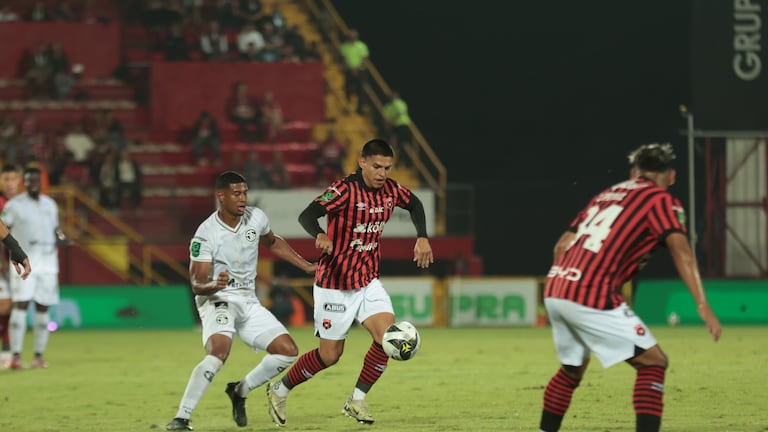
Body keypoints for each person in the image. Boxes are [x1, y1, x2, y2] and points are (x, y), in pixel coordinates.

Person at [539, 143, 722, 432]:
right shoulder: (661, 200)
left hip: (556, 286)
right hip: (590, 293)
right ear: (671, 176)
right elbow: (681, 249)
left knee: (572, 370)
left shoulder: (605, 195)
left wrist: (565, 286)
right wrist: (702, 304)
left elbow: (562, 245)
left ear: (634, 171)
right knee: (653, 362)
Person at [265, 138, 434, 427]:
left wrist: (422, 236)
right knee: (329, 356)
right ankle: (279, 389)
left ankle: (356, 400)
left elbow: (415, 203)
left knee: (386, 340)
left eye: (388, 168)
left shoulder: (392, 190)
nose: (383, 173)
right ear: (362, 162)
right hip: (334, 284)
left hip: (368, 281)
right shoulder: (344, 190)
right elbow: (308, 214)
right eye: (377, 166)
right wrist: (319, 233)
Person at [165, 171, 317, 431]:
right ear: (221, 196)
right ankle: (182, 417)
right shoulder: (206, 233)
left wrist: (305, 266)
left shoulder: (256, 217)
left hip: (248, 300)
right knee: (218, 353)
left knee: (287, 351)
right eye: (236, 193)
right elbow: (197, 284)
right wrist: (214, 284)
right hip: (218, 299)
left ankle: (240, 390)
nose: (243, 198)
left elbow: (272, 242)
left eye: (245, 192)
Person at [3, 166, 56, 370]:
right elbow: (3, 229)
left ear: (41, 183)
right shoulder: (14, 205)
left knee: (44, 307)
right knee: (21, 304)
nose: (33, 184)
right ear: (24, 183)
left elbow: (54, 228)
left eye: (36, 180)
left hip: (49, 262)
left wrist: (60, 236)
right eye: (29, 180)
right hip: (25, 260)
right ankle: (15, 356)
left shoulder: (50, 204)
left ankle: (38, 356)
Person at [0, 164, 23, 367]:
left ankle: (10, 352)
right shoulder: (0, 202)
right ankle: (7, 351)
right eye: (5, 179)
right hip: (2, 264)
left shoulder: (26, 204)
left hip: (18, 264)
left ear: (19, 181)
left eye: (13, 179)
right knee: (4, 306)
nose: (9, 183)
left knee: (15, 307)